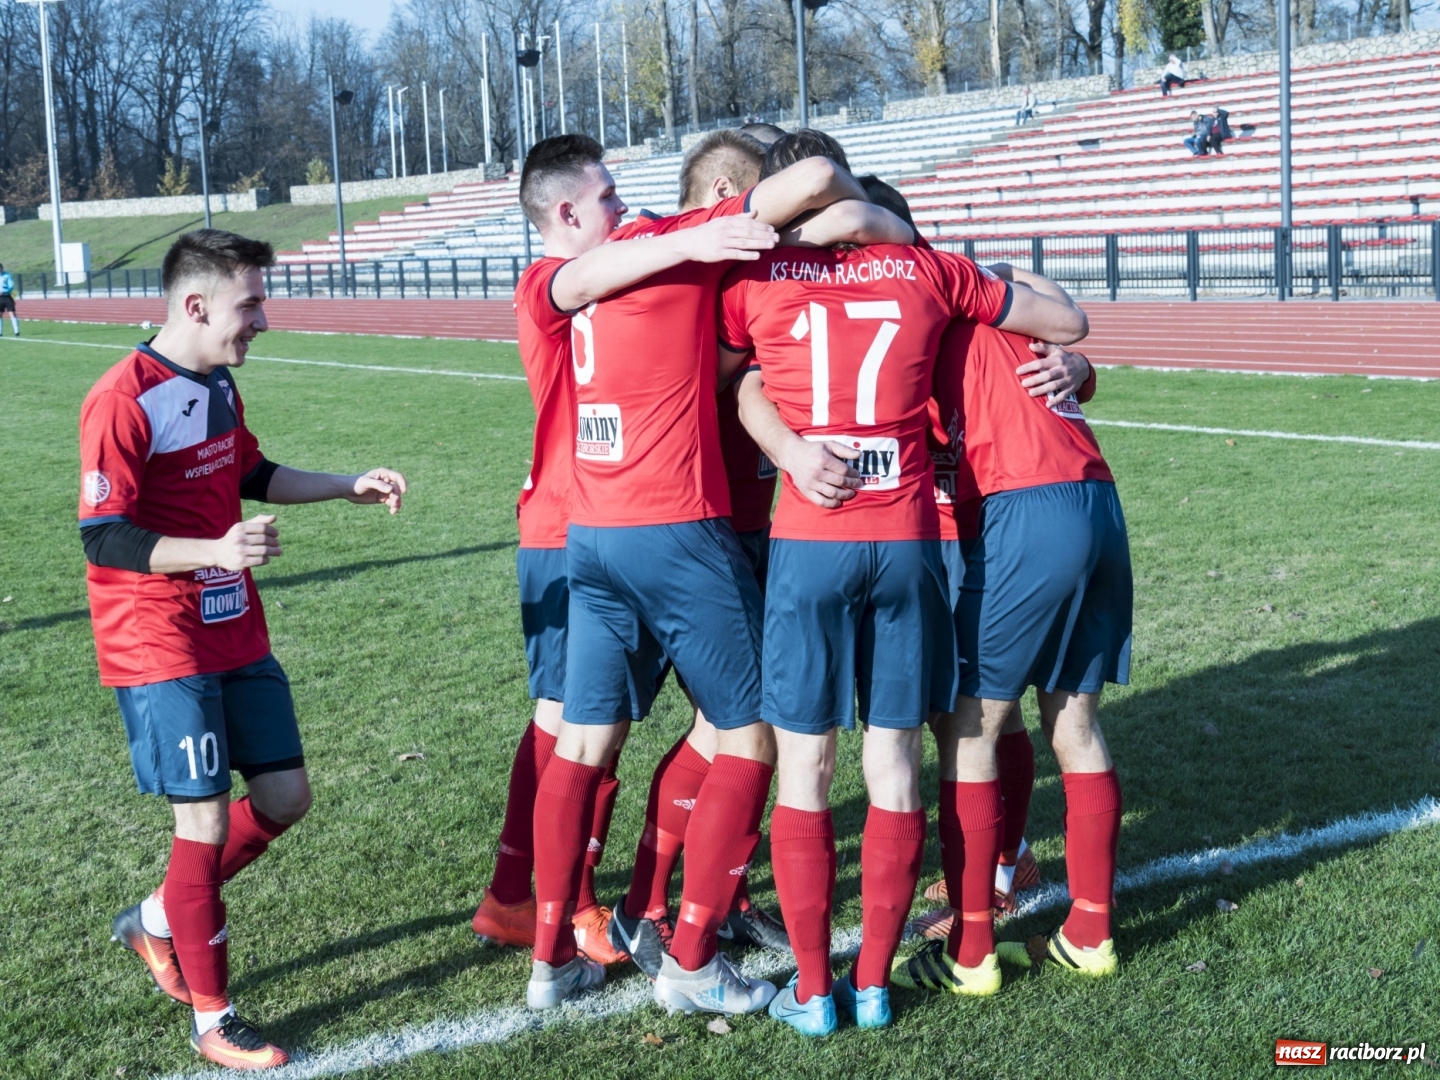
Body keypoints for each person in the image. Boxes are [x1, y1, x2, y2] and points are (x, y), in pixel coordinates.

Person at [515, 133, 885, 1016]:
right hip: (675, 528)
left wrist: (695, 242)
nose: (621, 207)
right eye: (607, 196)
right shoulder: (664, 246)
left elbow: (602, 292)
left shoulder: (577, 279)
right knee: (753, 733)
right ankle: (689, 958)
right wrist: (861, 221)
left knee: (583, 742)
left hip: (594, 535)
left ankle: (551, 959)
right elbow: (816, 176)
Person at [726, 136, 1088, 1035]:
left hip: (810, 538)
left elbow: (731, 381)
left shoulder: (752, 274)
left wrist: (789, 449)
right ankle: (878, 984)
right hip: (907, 540)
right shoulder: (928, 270)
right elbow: (1064, 324)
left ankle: (816, 993)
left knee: (805, 766)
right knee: (893, 761)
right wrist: (1080, 364)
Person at [84, 229, 407, 1070]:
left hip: (234, 625)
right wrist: (216, 551)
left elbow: (251, 475)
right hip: (158, 638)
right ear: (196, 305)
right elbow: (105, 536)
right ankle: (213, 1018)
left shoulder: (217, 383)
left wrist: (345, 485)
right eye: (251, 303)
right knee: (201, 820)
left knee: (285, 796)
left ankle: (158, 919)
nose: (263, 318)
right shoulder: (122, 397)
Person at [471, 135, 779, 969]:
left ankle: (595, 900)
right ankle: (551, 904)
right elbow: (583, 280)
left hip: (630, 524)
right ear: (567, 211)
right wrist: (687, 237)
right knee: (576, 726)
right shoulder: (558, 279)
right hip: (577, 525)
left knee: (649, 725)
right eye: (607, 196)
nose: (622, 206)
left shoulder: (630, 265)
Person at [911, 265, 1132, 984]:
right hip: (1094, 501)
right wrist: (1081, 367)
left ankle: (971, 947)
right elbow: (1051, 309)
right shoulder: (988, 300)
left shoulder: (911, 304)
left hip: (1019, 506)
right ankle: (1087, 930)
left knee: (966, 724)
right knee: (1073, 722)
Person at [0, 262, 19, 336]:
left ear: (2, 268)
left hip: (7, 296)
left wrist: (5, 291)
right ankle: (0, 332)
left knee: (12, 313)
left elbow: (11, 286)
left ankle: (16, 331)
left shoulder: (7, 275)